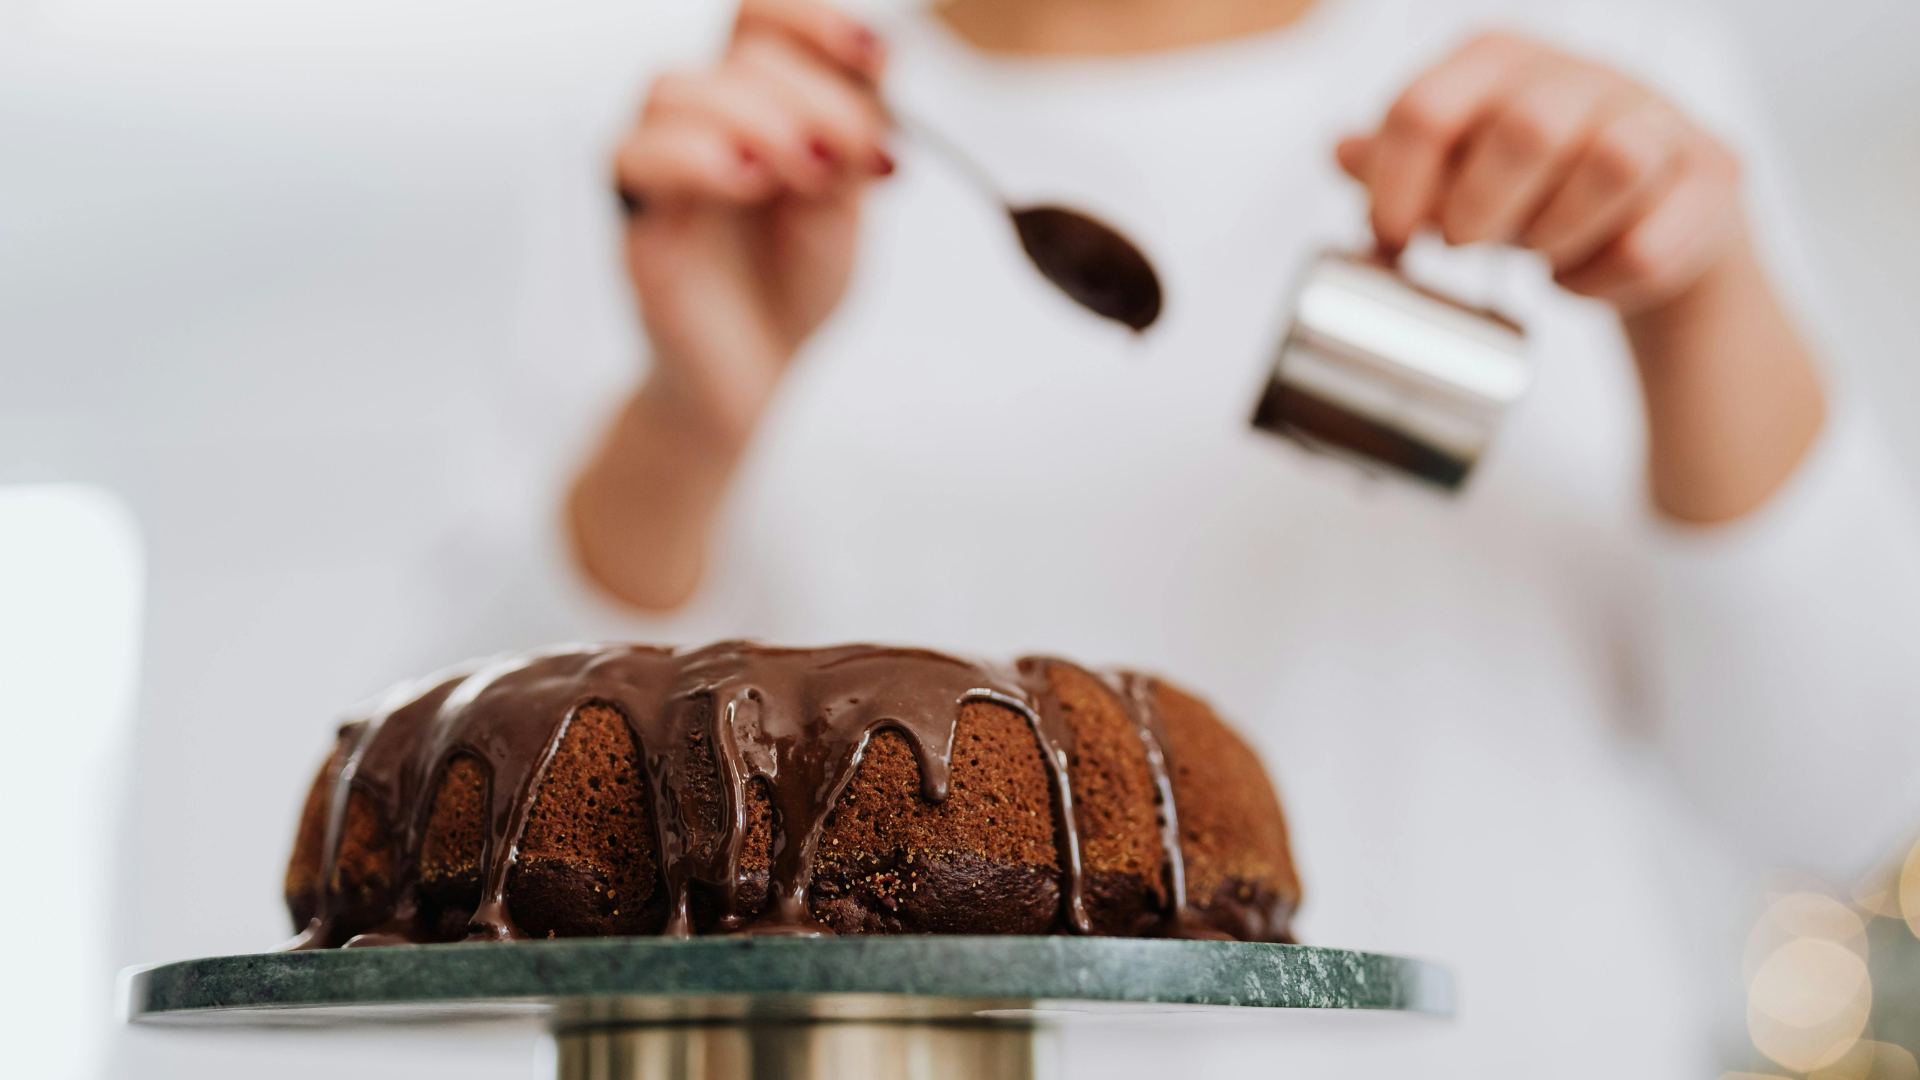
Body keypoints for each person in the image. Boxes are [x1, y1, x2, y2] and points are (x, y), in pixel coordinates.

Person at [565, 0, 1920, 1073]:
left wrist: (1695, 299)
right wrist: (691, 420)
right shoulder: (734, 130)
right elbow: (545, 837)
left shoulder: (1602, 80)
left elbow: (1835, 798)